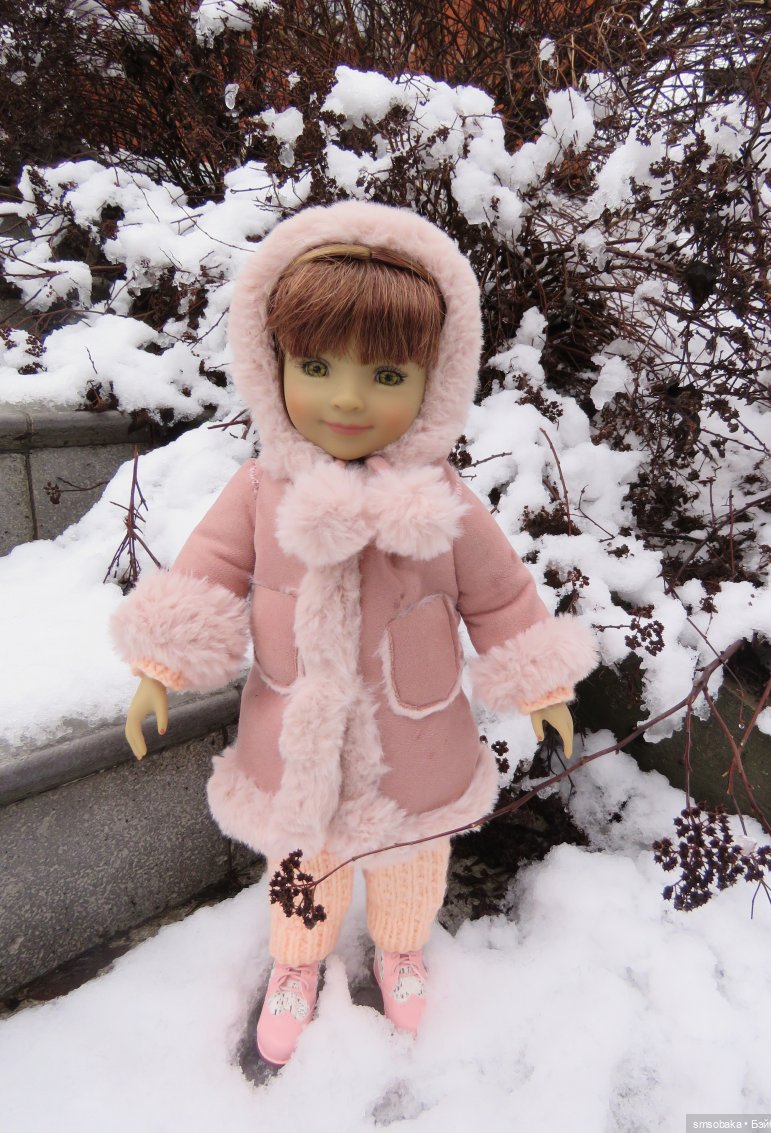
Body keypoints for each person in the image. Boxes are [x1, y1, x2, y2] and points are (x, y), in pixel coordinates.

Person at [111, 201, 598, 1067]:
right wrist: (161, 665)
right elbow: (207, 573)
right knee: (304, 861)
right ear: (273, 366)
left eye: (385, 374)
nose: (345, 397)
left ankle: (401, 949)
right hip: (295, 735)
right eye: (315, 365)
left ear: (434, 380)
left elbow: (499, 595)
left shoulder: (441, 500)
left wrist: (540, 685)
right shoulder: (260, 490)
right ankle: (297, 964)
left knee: (411, 858)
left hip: (418, 733)